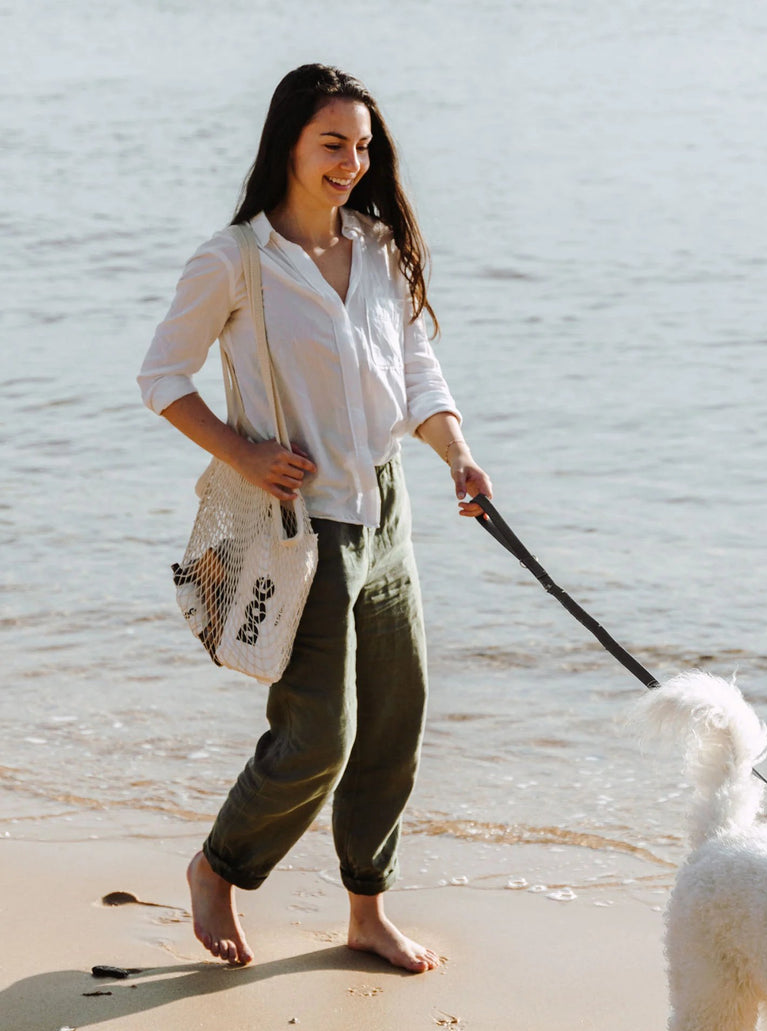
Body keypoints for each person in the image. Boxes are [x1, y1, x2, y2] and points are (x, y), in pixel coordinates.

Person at [138, 64, 492, 973]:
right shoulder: (237, 259)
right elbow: (161, 379)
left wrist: (456, 454)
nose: (351, 162)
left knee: (394, 720)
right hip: (301, 524)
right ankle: (218, 866)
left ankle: (366, 911)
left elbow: (418, 375)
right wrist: (244, 452)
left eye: (363, 146)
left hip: (387, 511)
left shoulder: (378, 247)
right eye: (333, 143)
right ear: (289, 143)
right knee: (317, 738)